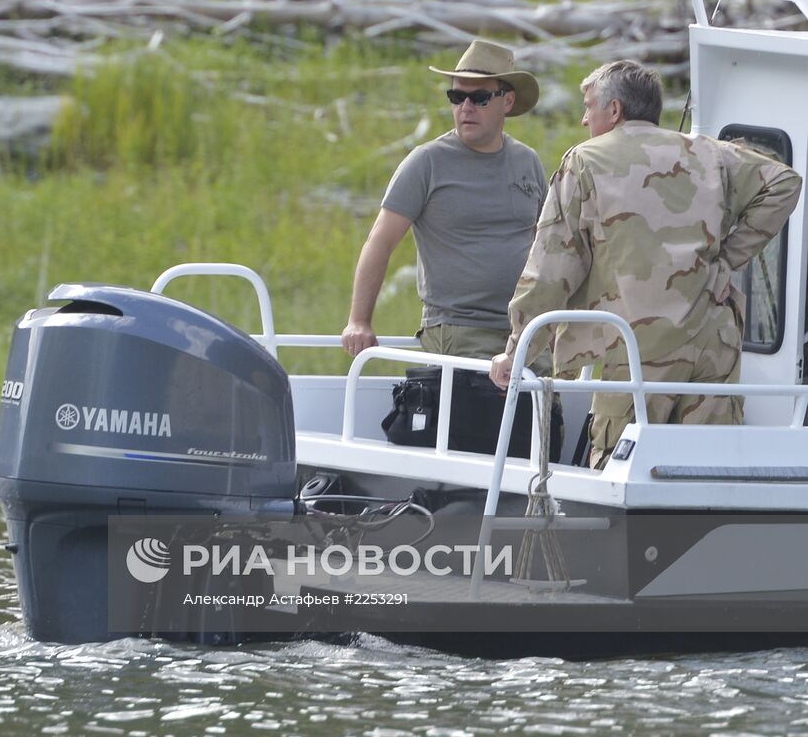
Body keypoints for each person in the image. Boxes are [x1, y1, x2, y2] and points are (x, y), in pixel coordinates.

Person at [489, 59, 802, 469]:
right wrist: (726, 261)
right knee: (708, 471)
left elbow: (550, 268)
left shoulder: (585, 161)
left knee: (619, 469)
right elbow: (783, 183)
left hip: (639, 346)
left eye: (589, 106)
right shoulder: (710, 152)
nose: (584, 119)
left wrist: (517, 351)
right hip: (713, 344)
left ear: (614, 110)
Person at [341, 39, 547, 362]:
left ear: (507, 102)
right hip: (458, 329)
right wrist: (359, 321)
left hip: (526, 330)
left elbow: (547, 244)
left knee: (548, 406)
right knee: (491, 404)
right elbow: (379, 242)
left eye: (479, 98)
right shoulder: (427, 162)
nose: (465, 107)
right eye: (456, 96)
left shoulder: (528, 162)